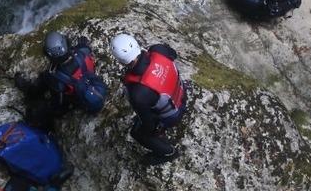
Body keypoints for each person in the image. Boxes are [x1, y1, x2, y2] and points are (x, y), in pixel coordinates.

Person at [110, 34, 187, 166]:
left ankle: (169, 152)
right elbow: (173, 54)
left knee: (137, 133)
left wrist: (152, 129)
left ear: (121, 61)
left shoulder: (138, 93)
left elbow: (149, 125)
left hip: (173, 114)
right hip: (181, 94)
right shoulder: (158, 49)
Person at [15, 31, 105, 119]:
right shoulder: (82, 52)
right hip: (91, 82)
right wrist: (82, 44)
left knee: (43, 94)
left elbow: (58, 104)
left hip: (74, 97)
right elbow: (84, 48)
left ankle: (28, 90)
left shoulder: (54, 78)